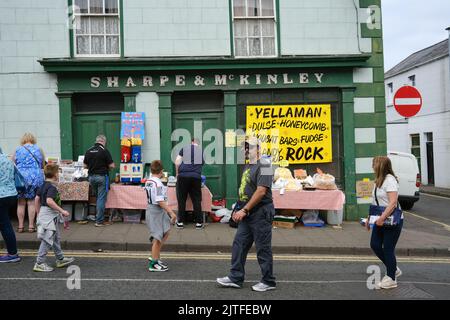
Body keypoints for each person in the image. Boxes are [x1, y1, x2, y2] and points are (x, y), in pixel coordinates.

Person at [216, 137, 276, 292]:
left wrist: (245, 210)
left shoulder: (266, 165)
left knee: (263, 248)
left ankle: (268, 281)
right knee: (239, 244)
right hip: (247, 212)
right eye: (245, 148)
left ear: (258, 149)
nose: (246, 150)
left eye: (250, 147)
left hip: (261, 213)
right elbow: (245, 189)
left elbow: (261, 191)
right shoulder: (248, 165)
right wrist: (238, 207)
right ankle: (235, 277)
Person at [365, 156, 403, 289]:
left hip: (392, 220)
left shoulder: (390, 180)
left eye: (374, 164)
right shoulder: (378, 180)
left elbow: (392, 203)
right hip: (380, 219)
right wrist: (369, 218)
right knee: (374, 244)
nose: (372, 166)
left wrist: (381, 218)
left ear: (380, 166)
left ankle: (391, 279)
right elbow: (376, 201)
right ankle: (393, 268)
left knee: (388, 248)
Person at [33, 164, 75, 272]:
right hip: (49, 216)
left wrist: (39, 214)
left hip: (46, 214)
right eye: (58, 172)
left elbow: (36, 199)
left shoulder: (43, 185)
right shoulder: (52, 187)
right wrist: (62, 211)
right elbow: (49, 201)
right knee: (47, 239)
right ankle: (39, 263)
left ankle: (60, 259)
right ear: (55, 174)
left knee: (55, 238)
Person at [144, 160, 177, 272]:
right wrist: (171, 212)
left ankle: (155, 255)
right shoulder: (157, 183)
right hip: (156, 211)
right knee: (158, 237)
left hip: (155, 210)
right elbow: (160, 201)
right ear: (161, 171)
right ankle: (154, 263)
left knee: (166, 232)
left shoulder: (149, 180)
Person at [13, 133, 45, 233]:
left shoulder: (18, 149)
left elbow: (13, 163)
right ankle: (31, 226)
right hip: (35, 177)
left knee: (21, 202)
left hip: (21, 178)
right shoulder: (38, 149)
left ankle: (21, 226)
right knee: (31, 202)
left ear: (23, 140)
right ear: (33, 139)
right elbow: (42, 164)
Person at [83, 135, 115, 227]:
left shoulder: (89, 150)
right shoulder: (104, 150)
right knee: (101, 199)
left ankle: (98, 218)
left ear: (96, 141)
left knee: (98, 198)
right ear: (104, 141)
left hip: (91, 177)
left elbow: (85, 166)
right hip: (101, 177)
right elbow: (112, 165)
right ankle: (99, 221)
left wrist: (93, 166)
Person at [175, 138, 204, 229]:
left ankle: (180, 222)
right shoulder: (201, 151)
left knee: (182, 199)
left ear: (191, 142)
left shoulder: (184, 148)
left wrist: (177, 174)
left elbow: (177, 162)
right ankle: (199, 223)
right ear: (198, 144)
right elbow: (202, 163)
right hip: (195, 177)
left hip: (183, 176)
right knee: (196, 199)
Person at [0, 147, 21, 263]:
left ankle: (13, 254)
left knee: (5, 225)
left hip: (1, 196)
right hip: (11, 194)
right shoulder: (8, 160)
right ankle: (12, 252)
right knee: (4, 224)